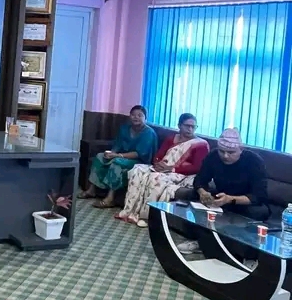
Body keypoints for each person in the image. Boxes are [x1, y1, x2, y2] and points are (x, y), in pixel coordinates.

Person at [175, 127, 269, 255]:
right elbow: (199, 180)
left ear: (241, 149)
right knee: (193, 194)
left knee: (256, 212)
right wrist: (203, 192)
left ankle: (245, 253)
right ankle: (199, 240)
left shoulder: (254, 161)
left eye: (231, 152)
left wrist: (231, 199)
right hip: (221, 197)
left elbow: (259, 196)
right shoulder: (214, 156)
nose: (225, 156)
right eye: (222, 151)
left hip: (246, 202)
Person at [115, 113, 209, 227]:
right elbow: (158, 156)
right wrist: (158, 164)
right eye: (187, 126)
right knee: (137, 170)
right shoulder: (171, 139)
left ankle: (147, 216)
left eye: (193, 127)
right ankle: (130, 210)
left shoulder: (201, 144)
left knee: (155, 178)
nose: (190, 129)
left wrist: (171, 168)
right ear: (179, 125)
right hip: (162, 169)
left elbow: (197, 167)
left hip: (182, 174)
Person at [78, 105, 158, 208]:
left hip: (139, 161)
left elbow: (139, 153)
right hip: (120, 156)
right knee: (100, 156)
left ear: (145, 118)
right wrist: (111, 153)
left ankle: (110, 198)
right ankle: (91, 190)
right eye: (133, 115)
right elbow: (117, 145)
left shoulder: (149, 133)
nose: (136, 117)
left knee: (117, 162)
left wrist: (118, 155)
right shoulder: (125, 128)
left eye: (140, 115)